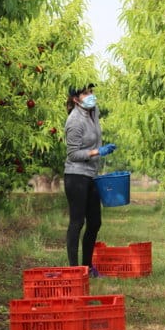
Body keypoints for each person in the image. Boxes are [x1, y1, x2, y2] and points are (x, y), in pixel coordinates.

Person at [64, 84, 117, 277]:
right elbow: (72, 154)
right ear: (76, 99)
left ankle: (87, 268)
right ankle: (74, 270)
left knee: (95, 222)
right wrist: (97, 151)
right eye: (86, 93)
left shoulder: (93, 111)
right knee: (77, 222)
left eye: (91, 92)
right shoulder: (74, 121)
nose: (91, 96)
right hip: (76, 175)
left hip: (92, 175)